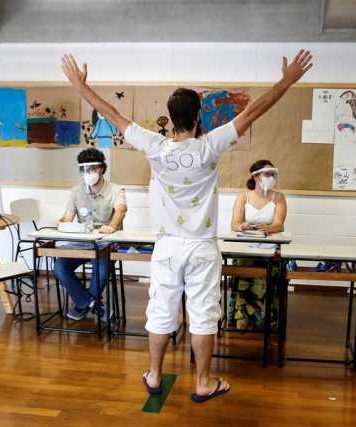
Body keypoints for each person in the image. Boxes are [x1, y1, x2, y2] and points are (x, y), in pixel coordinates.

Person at [62, 49, 313, 402]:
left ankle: (153, 375)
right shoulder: (210, 146)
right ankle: (203, 382)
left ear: (169, 118)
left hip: (167, 246)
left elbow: (113, 115)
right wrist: (286, 82)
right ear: (198, 117)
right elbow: (253, 111)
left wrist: (80, 86)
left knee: (160, 312)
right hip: (201, 247)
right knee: (203, 315)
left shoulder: (155, 146)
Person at [54, 148, 127, 321]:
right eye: (84, 169)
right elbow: (67, 217)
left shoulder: (115, 190)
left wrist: (111, 226)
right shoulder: (76, 192)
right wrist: (61, 222)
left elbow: (121, 210)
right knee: (59, 267)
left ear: (101, 168)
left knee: (101, 271)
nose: (88, 173)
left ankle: (82, 305)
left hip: (105, 245)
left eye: (92, 168)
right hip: (81, 244)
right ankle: (93, 305)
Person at [229, 160, 287, 330]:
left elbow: (278, 224)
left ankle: (267, 317)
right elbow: (234, 223)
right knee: (243, 267)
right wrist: (242, 226)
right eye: (267, 174)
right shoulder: (243, 197)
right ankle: (243, 315)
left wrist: (269, 228)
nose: (271, 177)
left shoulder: (279, 197)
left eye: (273, 174)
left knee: (271, 270)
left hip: (270, 246)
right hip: (246, 246)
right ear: (255, 177)